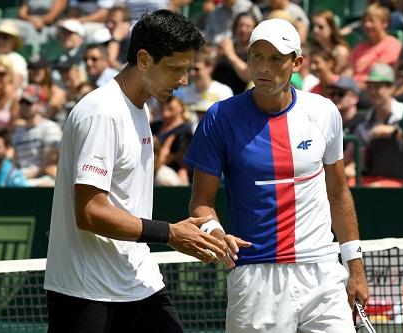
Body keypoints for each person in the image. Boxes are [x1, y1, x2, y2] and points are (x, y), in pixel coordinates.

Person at [44, 10, 242, 332]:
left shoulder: (140, 109)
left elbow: (126, 204)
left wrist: (195, 232)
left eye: (187, 69)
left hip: (137, 282)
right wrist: (171, 233)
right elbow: (90, 212)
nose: (183, 81)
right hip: (86, 293)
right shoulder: (102, 113)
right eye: (176, 69)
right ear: (145, 59)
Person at [185, 18, 369, 332]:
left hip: (322, 270)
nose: (264, 68)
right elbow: (201, 204)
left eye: (276, 58)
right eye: (257, 56)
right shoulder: (219, 117)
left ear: (297, 63)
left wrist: (356, 268)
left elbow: (338, 193)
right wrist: (216, 233)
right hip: (256, 276)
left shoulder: (324, 112)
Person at [355, 63, 403, 187]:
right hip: (371, 178)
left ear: (391, 88)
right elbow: (358, 158)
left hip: (402, 181)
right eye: (370, 87)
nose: (373, 92)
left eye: (378, 87)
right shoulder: (364, 121)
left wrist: (395, 132)